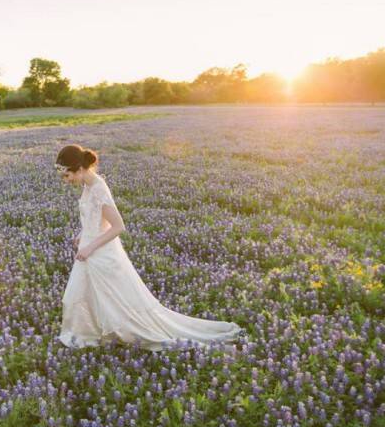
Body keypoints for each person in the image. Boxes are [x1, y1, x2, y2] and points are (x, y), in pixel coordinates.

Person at [54, 144, 244, 351]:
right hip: (89, 251)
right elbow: (96, 219)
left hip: (101, 254)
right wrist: (82, 234)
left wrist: (90, 247)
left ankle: (121, 333)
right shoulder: (87, 186)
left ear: (80, 169)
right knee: (83, 296)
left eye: (67, 176)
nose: (66, 181)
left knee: (115, 300)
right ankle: (93, 334)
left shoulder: (99, 188)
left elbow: (118, 227)